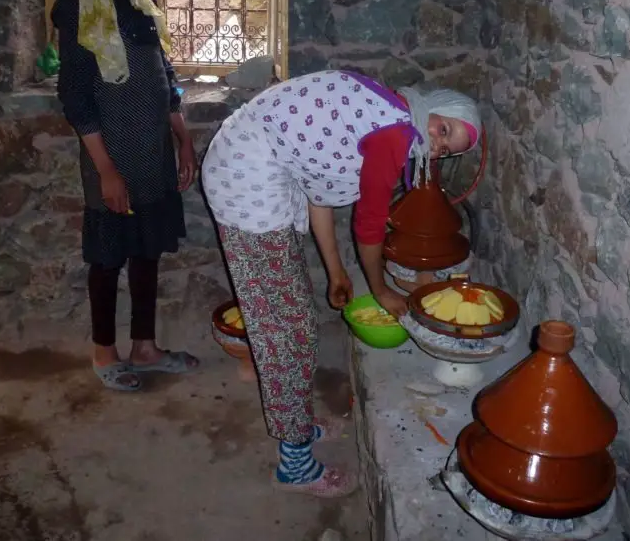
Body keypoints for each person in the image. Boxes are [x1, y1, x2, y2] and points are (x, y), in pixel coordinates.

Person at [202, 71, 482, 497]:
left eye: (446, 148)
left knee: (291, 315)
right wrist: (381, 289)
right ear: (435, 107)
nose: (438, 145)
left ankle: (298, 425)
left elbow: (319, 189)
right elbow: (368, 228)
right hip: (245, 175)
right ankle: (294, 462)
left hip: (253, 162)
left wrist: (336, 272)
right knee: (286, 330)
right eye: (443, 129)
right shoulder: (395, 133)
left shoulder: (387, 113)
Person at [53, 0, 199, 392]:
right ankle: (103, 353)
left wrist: (182, 137)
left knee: (146, 250)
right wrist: (106, 169)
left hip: (153, 147)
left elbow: (165, 75)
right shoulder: (78, 4)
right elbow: (74, 95)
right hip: (109, 149)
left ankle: (144, 346)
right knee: (109, 253)